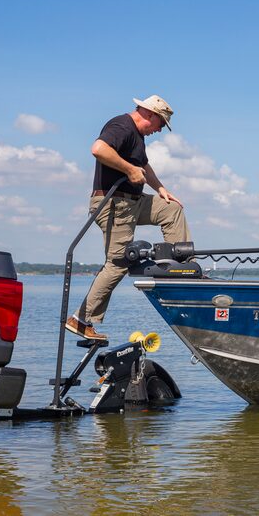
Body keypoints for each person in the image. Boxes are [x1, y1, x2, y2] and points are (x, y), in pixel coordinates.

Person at [66, 95, 190, 341]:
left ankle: (183, 268)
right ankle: (80, 319)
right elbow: (98, 149)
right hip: (114, 204)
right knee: (119, 263)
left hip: (133, 202)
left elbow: (144, 166)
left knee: (171, 209)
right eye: (160, 124)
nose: (160, 130)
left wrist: (160, 189)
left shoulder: (138, 137)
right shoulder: (122, 125)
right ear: (150, 114)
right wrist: (129, 169)